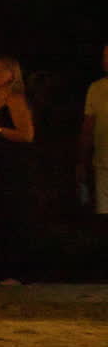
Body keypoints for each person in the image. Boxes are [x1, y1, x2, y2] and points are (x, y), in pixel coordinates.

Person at [0, 56, 35, 285]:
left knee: (12, 215)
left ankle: (16, 272)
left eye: (0, 70)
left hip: (12, 165)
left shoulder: (15, 99)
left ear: (12, 74)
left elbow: (27, 135)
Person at [78, 42, 108, 218]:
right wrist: (82, 160)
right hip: (103, 165)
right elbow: (88, 128)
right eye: (105, 56)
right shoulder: (96, 88)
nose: (106, 60)